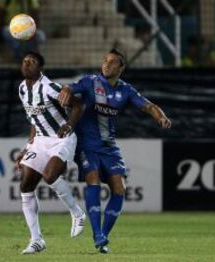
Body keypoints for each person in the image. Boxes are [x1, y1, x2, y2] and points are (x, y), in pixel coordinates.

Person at [58, 49, 171, 253]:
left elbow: (148, 106)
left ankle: (103, 236)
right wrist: (65, 89)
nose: (106, 65)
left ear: (121, 68)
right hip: (86, 146)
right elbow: (70, 87)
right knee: (93, 180)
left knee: (119, 189)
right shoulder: (89, 81)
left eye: (112, 62)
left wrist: (160, 116)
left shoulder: (126, 90)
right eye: (104, 61)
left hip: (109, 147)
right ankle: (97, 234)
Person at [15, 51, 86, 254]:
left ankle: (77, 213)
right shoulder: (22, 89)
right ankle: (37, 240)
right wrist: (28, 147)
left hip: (61, 138)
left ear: (40, 68)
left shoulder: (50, 88)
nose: (27, 64)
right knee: (26, 185)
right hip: (40, 141)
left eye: (32, 62)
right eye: (25, 60)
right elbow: (34, 120)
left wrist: (70, 125)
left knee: (50, 175)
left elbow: (79, 105)